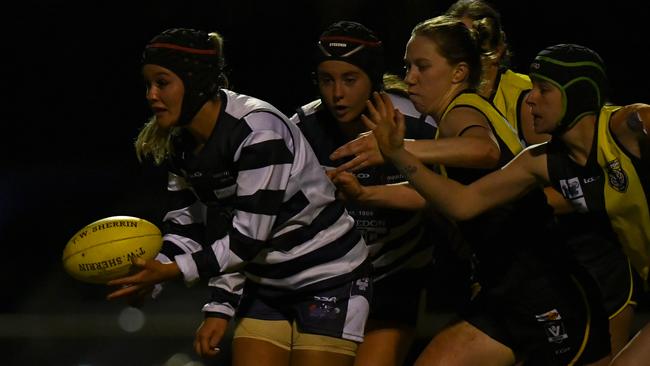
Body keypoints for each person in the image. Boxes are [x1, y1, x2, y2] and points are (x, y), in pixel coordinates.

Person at [364, 40, 649, 365]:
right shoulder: (540, 161)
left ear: (578, 92)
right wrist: (399, 155)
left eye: (543, 89)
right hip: (514, 293)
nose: (530, 99)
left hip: (556, 293)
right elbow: (463, 203)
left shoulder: (629, 127)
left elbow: (482, 151)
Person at [106, 28, 374, 366]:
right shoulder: (179, 144)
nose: (151, 94)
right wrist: (153, 272)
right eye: (148, 85)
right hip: (264, 281)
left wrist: (172, 273)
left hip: (328, 275)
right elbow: (187, 229)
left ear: (196, 82)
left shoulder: (257, 131)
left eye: (162, 82)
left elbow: (246, 239)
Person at [447, 0, 640, 357]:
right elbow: (466, 201)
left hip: (586, 262)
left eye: (478, 45)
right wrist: (399, 154)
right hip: (526, 273)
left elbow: (581, 175)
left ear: (499, 48)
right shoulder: (445, 106)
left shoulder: (531, 100)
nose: (472, 59)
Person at [289, 20, 447, 366]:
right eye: (326, 80)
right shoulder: (300, 128)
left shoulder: (419, 123)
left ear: (373, 79)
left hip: (397, 276)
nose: (336, 94)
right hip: (329, 277)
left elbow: (445, 198)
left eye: (350, 79)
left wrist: (366, 192)